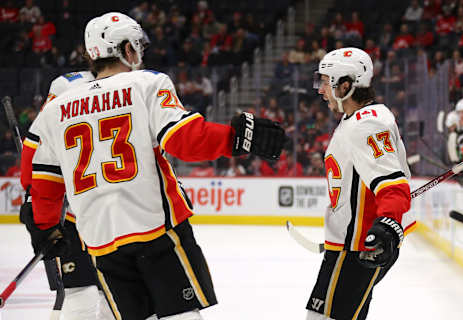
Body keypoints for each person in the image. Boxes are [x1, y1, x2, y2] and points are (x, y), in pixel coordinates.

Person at [23, 12, 285, 320]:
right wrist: (237, 138)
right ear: (126, 49)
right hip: (155, 230)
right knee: (181, 314)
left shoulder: (56, 109)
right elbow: (184, 140)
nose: (140, 54)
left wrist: (44, 228)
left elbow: (45, 184)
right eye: (137, 46)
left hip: (101, 242)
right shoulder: (146, 84)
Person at [307, 47, 416, 320]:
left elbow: (392, 184)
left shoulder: (366, 124)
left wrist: (389, 221)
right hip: (351, 246)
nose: (321, 90)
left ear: (345, 85)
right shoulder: (356, 119)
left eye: (325, 82)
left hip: (357, 248)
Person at [21, 70, 117, 320]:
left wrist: (34, 199)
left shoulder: (64, 93)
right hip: (99, 212)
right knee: (98, 292)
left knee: (99, 293)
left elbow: (32, 155)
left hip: (91, 211)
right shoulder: (120, 90)